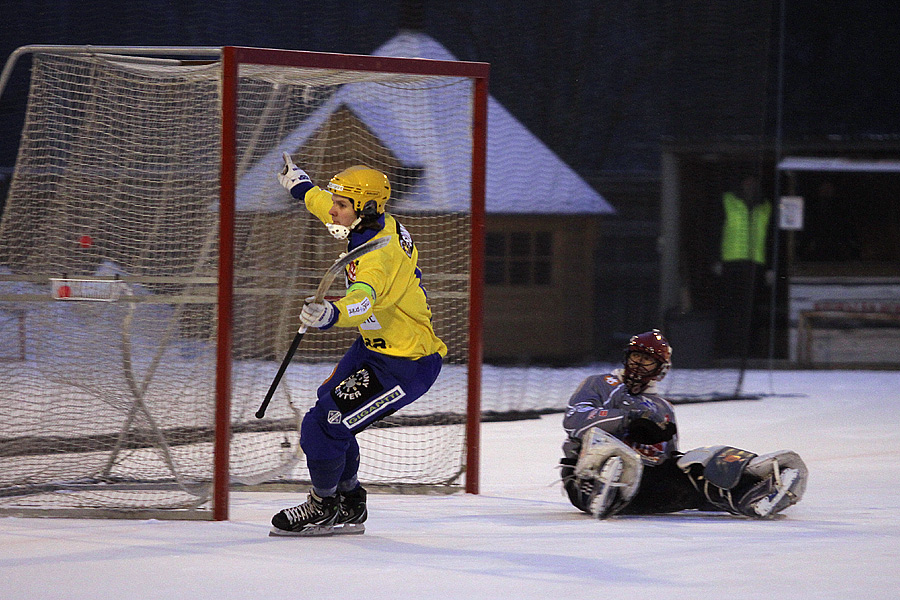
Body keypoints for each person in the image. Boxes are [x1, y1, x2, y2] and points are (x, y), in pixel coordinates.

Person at [270, 154, 447, 536]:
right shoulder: (368, 222)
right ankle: (349, 501)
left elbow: (364, 297)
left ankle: (323, 505)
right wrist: (299, 185)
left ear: (364, 208)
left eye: (342, 205)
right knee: (328, 412)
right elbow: (324, 205)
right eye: (336, 201)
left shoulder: (377, 253)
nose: (333, 211)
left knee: (322, 426)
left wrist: (332, 314)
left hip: (405, 362)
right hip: (375, 348)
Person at [560, 329, 807, 519]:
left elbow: (667, 457)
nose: (638, 364)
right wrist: (627, 420)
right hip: (584, 478)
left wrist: (664, 447)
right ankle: (605, 485)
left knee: (698, 462)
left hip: (643, 487)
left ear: (660, 369)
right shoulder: (599, 383)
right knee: (608, 447)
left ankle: (753, 490)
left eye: (647, 360)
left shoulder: (663, 408)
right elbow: (574, 420)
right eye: (636, 355)